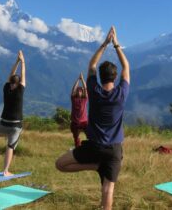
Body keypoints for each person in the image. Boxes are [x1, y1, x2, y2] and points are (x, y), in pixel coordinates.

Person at [55, 26, 130, 210]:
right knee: (108, 189)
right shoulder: (121, 93)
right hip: (114, 150)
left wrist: (104, 43)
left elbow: (91, 66)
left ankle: (94, 166)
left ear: (101, 77)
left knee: (60, 165)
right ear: (115, 77)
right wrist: (117, 44)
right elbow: (126, 67)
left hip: (94, 147)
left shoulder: (94, 91)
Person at [0, 50, 26, 177]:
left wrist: (16, 62)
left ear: (11, 83)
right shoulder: (20, 91)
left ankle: (5, 135)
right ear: (18, 84)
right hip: (15, 125)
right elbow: (23, 76)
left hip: (3, 123)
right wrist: (23, 61)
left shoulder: (6, 88)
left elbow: (10, 75)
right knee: (11, 146)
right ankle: (5, 171)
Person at [70, 72, 88, 147]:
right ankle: (78, 148)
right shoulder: (73, 99)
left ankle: (89, 148)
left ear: (82, 92)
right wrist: (78, 80)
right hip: (75, 122)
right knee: (76, 138)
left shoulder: (84, 99)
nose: (79, 91)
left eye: (80, 91)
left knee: (90, 135)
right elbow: (73, 89)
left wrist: (82, 79)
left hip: (84, 122)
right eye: (78, 90)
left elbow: (86, 88)